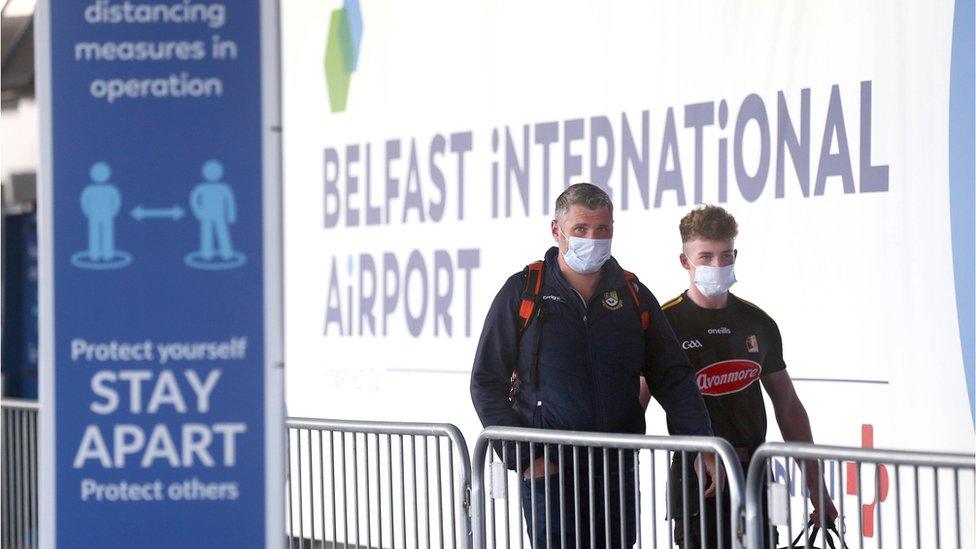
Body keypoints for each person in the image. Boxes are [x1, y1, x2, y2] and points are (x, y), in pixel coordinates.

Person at [471, 183, 717, 548]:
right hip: (549, 472)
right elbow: (485, 382)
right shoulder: (524, 291)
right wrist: (524, 458)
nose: (594, 238)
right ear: (557, 231)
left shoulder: (632, 293)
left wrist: (701, 443)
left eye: (603, 229)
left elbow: (673, 376)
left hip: (616, 468)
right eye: (581, 230)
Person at [656, 205, 838, 548]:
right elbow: (633, 403)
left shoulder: (758, 322)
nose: (717, 265)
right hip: (697, 477)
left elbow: (788, 406)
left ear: (735, 255)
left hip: (756, 472)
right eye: (705, 256)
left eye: (725, 255)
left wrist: (819, 491)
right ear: (685, 261)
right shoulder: (666, 323)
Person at [190, 160, 237, 261]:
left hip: (220, 216)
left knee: (222, 233)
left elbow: (229, 202)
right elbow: (194, 199)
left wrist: (231, 215)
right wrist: (198, 212)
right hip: (206, 215)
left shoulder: (223, 188)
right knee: (206, 234)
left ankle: (227, 253)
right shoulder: (202, 188)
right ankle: (206, 254)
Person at [80, 161, 121, 261]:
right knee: (94, 234)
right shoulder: (89, 190)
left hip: (107, 215)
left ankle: (108, 254)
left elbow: (116, 202)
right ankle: (94, 254)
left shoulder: (111, 189)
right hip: (94, 216)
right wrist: (88, 213)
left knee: (107, 234)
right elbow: (85, 202)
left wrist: (113, 212)